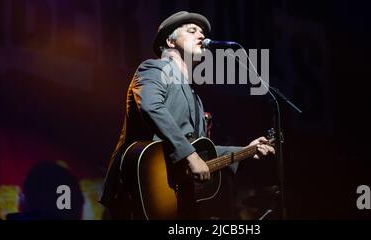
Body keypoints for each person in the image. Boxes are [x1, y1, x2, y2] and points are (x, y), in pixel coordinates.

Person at [100, 11, 274, 219]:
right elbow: (151, 107)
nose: (201, 36)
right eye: (192, 31)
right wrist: (189, 156)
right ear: (170, 41)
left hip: (177, 199)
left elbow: (201, 149)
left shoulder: (195, 97)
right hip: (139, 188)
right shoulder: (154, 68)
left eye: (202, 32)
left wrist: (245, 150)